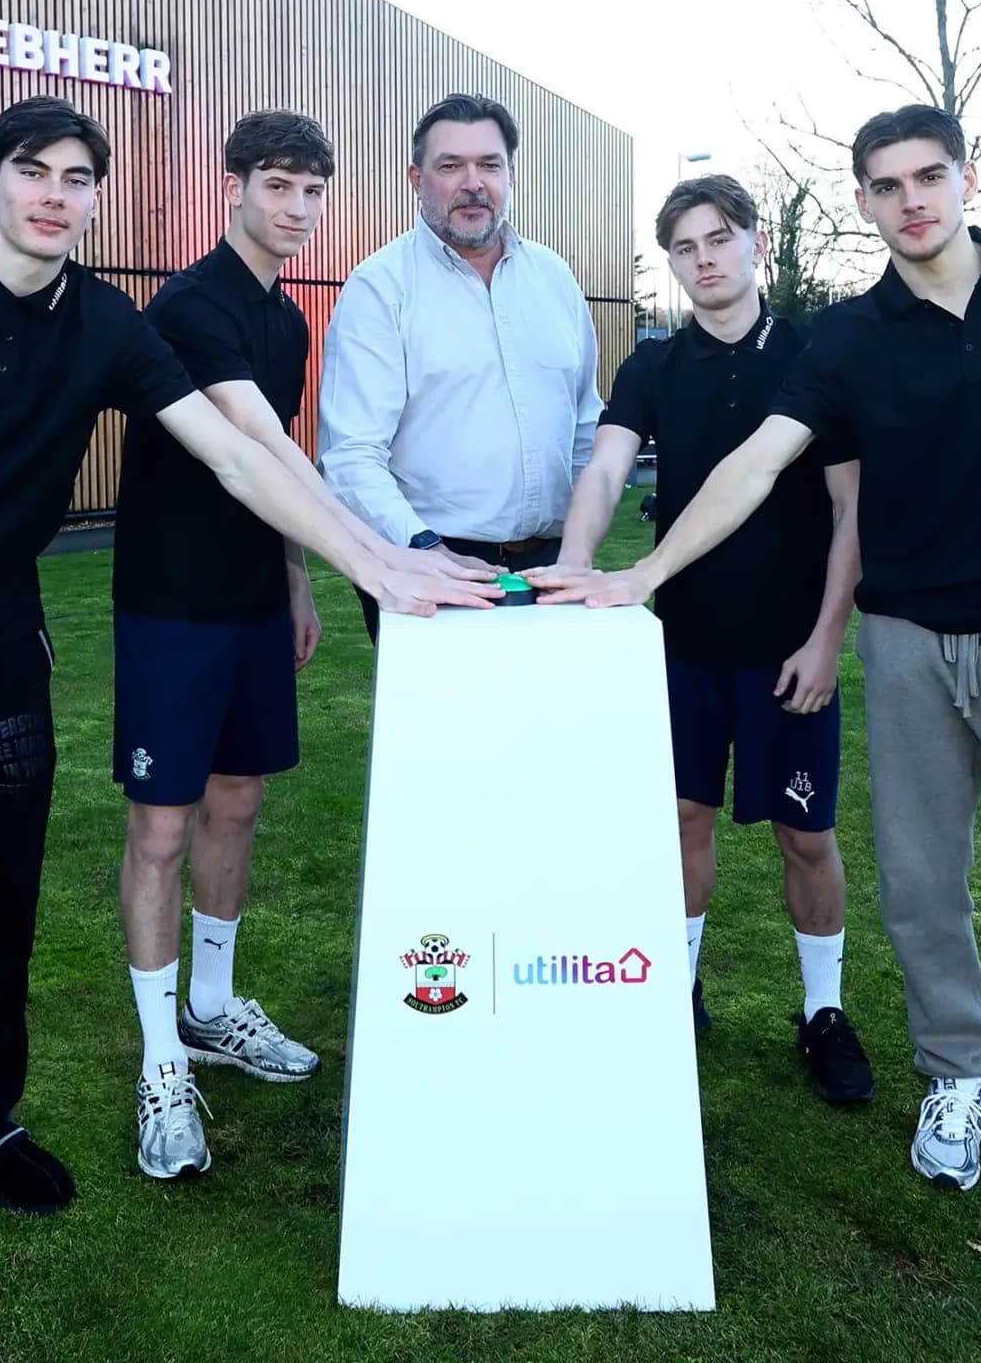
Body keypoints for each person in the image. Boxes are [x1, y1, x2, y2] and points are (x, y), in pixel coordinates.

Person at [0, 97, 493, 1271]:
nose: (54, 193)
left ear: (97, 198)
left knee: (0, 917)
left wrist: (374, 567)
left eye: (77, 177)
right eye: (32, 170)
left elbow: (239, 452)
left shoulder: (105, 325)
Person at [534, 105, 981, 1211]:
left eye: (929, 177)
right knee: (923, 893)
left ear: (965, 178)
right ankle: (954, 1078)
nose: (912, 201)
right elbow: (750, 469)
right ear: (862, 203)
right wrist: (638, 577)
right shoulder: (844, 339)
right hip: (908, 646)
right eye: (886, 186)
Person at [109, 111, 463, 1178]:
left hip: (254, 604)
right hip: (172, 609)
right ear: (232, 191)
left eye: (312, 190)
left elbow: (284, 467)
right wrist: (378, 561)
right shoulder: (189, 305)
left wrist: (299, 572)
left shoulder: (288, 319)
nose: (296, 208)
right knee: (161, 832)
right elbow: (250, 446)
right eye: (276, 186)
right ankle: (159, 1060)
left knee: (239, 804)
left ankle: (213, 1008)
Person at [547, 173, 873, 1104]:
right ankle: (677, 987)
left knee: (804, 835)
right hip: (682, 644)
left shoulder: (818, 356)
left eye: (719, 239)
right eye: (685, 248)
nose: (704, 261)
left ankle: (823, 1011)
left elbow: (853, 513)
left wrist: (826, 638)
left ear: (757, 242)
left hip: (787, 653)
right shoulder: (653, 367)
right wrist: (577, 563)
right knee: (682, 820)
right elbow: (607, 470)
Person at [317, 93, 606, 638]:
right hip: (427, 570)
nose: (473, 183)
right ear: (416, 179)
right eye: (451, 166)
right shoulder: (380, 288)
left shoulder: (556, 279)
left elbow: (586, 426)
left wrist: (577, 546)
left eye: (489, 165)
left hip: (553, 570)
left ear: (511, 175)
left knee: (552, 724)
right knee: (442, 725)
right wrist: (426, 551)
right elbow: (350, 455)